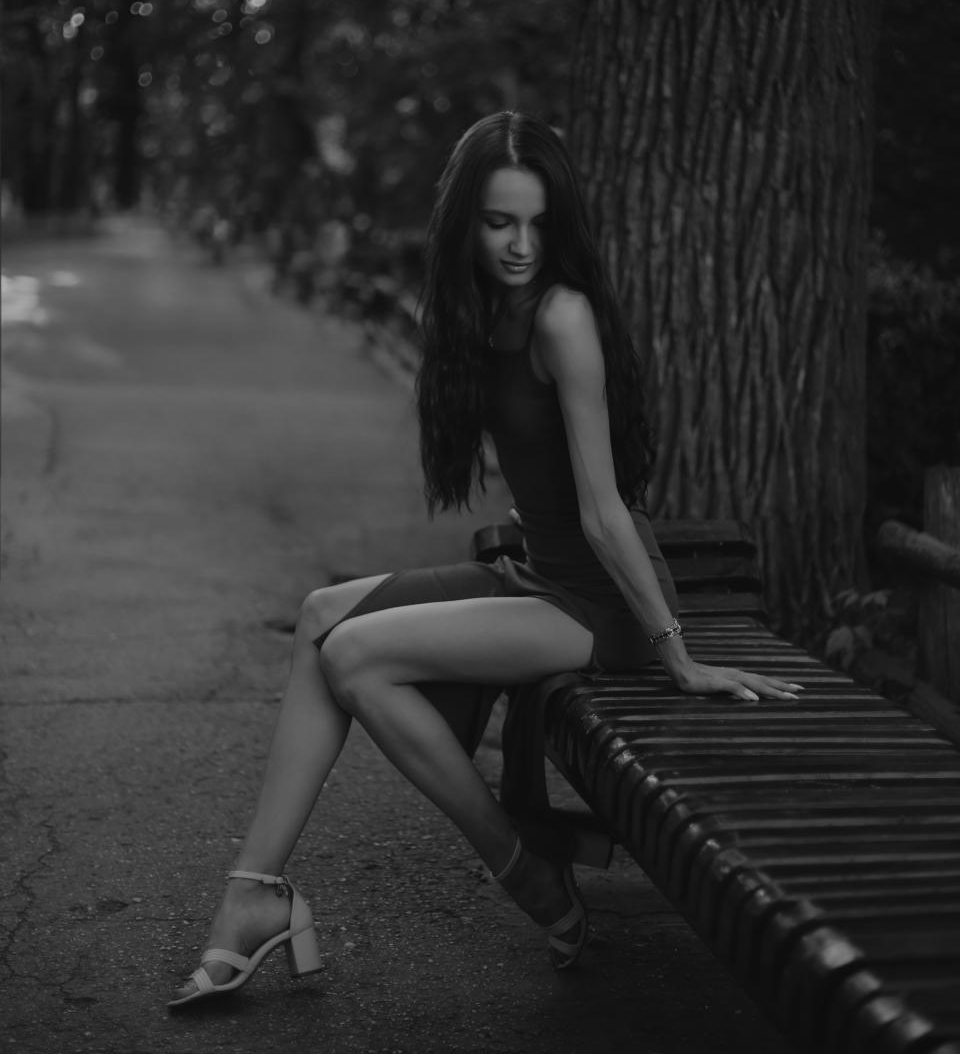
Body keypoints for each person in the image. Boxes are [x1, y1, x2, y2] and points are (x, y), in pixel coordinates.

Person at [169, 111, 802, 1008]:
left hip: (602, 606)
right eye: (501, 222)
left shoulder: (562, 315)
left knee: (357, 656)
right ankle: (254, 894)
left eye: (538, 224)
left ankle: (524, 870)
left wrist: (677, 653)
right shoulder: (480, 310)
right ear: (467, 220)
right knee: (319, 617)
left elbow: (603, 509)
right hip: (540, 577)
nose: (521, 245)